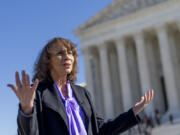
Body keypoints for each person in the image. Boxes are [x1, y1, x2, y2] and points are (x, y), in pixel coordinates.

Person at [7, 37, 154, 135]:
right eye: (60, 53)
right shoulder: (38, 93)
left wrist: (133, 113)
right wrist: (27, 111)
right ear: (48, 61)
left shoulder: (82, 93)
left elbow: (101, 130)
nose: (67, 57)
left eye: (71, 53)